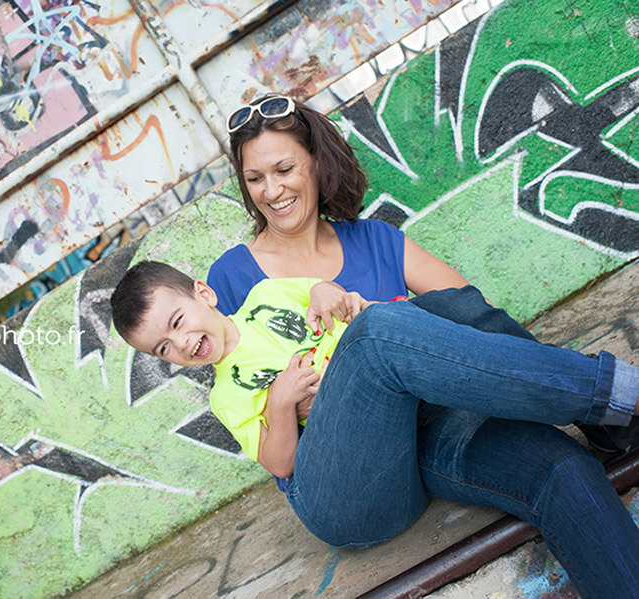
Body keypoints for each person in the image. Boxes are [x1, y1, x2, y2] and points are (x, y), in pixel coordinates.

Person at [136, 93, 638, 598]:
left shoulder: (375, 240)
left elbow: (472, 320)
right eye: (254, 179)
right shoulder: (233, 275)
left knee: (560, 466)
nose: (272, 190)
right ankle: (618, 395)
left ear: (314, 160)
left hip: (435, 435)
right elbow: (259, 399)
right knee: (374, 335)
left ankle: (602, 413)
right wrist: (323, 387)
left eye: (284, 168)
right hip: (348, 477)